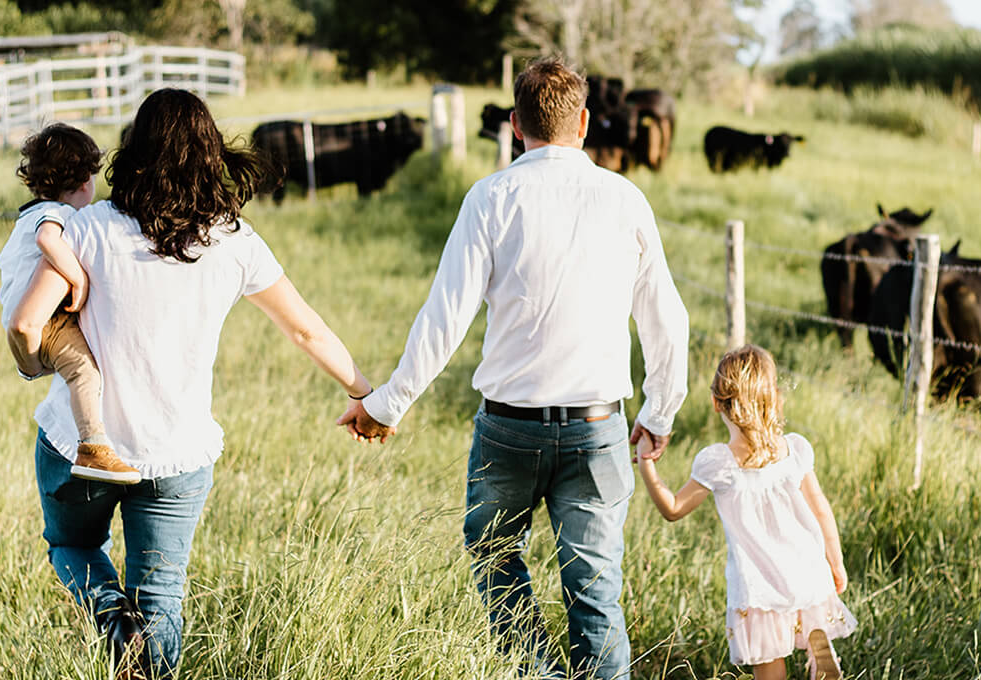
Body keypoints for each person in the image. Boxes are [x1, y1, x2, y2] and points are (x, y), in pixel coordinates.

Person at [338, 56, 689, 679]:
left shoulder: (490, 197)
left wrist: (386, 404)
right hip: (597, 426)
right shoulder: (625, 199)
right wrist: (659, 412)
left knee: (496, 565)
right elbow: (667, 319)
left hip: (509, 430)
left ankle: (539, 672)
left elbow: (444, 318)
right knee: (596, 592)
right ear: (583, 122)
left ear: (515, 126)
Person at [7, 88, 376, 679]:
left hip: (82, 447)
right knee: (162, 598)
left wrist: (35, 362)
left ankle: (109, 617)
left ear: (134, 150)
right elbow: (306, 331)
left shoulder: (88, 227)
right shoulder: (235, 241)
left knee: (74, 547)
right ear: (210, 155)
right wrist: (364, 394)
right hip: (176, 454)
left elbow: (28, 320)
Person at [636, 345, 855, 680]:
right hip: (807, 572)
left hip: (758, 588)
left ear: (715, 403)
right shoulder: (793, 450)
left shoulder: (718, 463)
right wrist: (835, 562)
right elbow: (821, 509)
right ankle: (817, 656)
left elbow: (673, 508)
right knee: (813, 625)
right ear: (775, 397)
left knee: (769, 662)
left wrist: (647, 465)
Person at [0, 122, 139, 484]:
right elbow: (48, 240)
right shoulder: (56, 215)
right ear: (84, 182)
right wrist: (77, 276)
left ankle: (94, 444)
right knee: (84, 372)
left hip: (33, 316)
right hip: (45, 319)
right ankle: (93, 447)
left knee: (80, 371)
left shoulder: (31, 211)